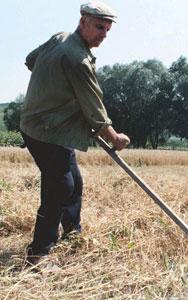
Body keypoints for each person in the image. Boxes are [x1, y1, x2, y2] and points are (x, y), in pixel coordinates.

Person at [20, 1, 130, 266]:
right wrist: (115, 138)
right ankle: (38, 253)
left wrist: (55, 87)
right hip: (45, 131)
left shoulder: (61, 38)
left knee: (74, 183)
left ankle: (72, 233)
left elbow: (31, 60)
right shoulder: (77, 59)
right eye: (99, 27)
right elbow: (94, 109)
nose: (103, 34)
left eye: (107, 29)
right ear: (83, 22)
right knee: (60, 186)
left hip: (51, 126)